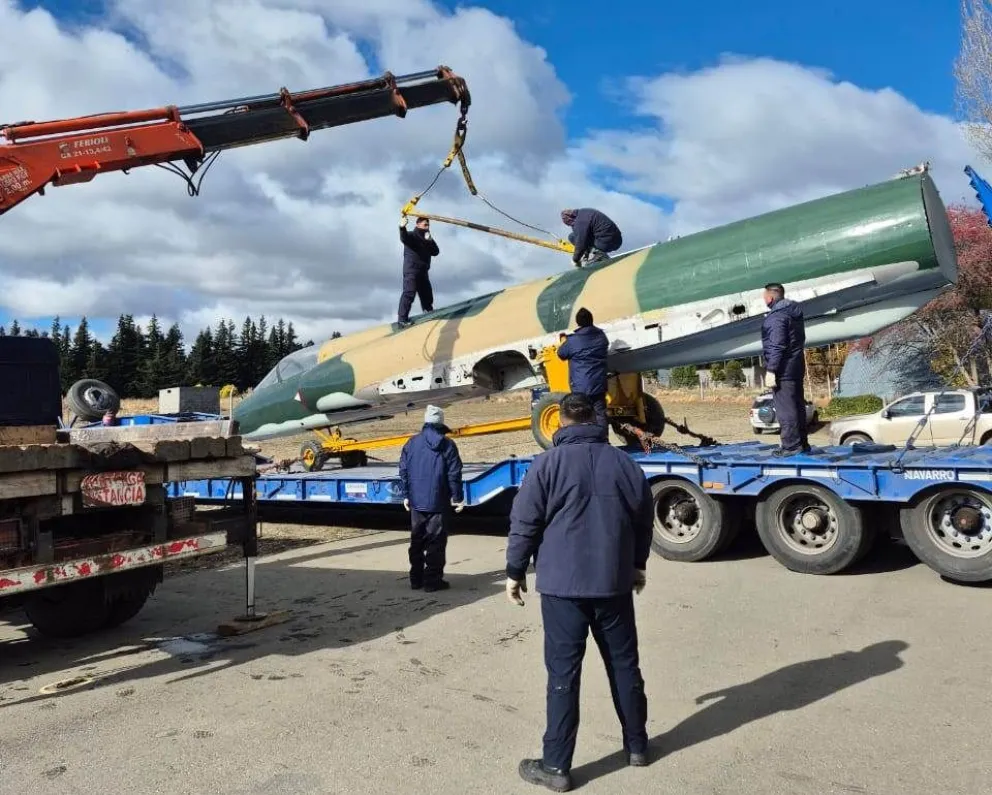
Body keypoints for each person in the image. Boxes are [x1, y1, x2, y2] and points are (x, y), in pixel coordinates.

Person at [505, 393, 653, 792]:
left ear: (561, 422)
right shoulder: (625, 464)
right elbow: (643, 520)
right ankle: (637, 745)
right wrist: (638, 565)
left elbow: (525, 522)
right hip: (613, 583)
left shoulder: (546, 465)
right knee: (624, 665)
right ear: (596, 420)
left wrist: (514, 571)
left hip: (561, 588)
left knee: (563, 674)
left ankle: (556, 766)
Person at [397, 404, 465, 591]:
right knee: (436, 541)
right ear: (440, 423)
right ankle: (432, 581)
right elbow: (454, 473)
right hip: (438, 501)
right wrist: (457, 497)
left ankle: (416, 579)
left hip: (416, 502)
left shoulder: (411, 443)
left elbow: (403, 470)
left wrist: (406, 494)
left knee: (417, 540)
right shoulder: (447, 444)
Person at [761, 282, 810, 456]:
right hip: (796, 366)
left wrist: (771, 370)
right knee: (797, 406)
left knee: (786, 409)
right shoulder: (794, 313)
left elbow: (777, 345)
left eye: (764, 296)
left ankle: (791, 446)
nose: (763, 299)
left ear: (771, 297)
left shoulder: (777, 317)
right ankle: (802, 443)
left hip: (783, 370)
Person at [556, 307, 610, 428]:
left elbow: (561, 354)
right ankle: (603, 441)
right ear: (591, 320)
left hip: (581, 386)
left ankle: (586, 442)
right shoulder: (601, 336)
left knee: (581, 417)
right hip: (599, 384)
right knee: (600, 414)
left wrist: (564, 341)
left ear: (578, 322)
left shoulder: (573, 340)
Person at [397, 215, 440, 327]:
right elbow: (404, 238)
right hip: (411, 270)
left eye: (428, 225)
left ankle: (428, 311)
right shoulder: (412, 236)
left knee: (427, 293)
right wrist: (402, 227)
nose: (427, 227)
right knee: (409, 293)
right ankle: (402, 320)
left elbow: (436, 252)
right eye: (425, 224)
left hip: (423, 271)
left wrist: (430, 241)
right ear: (418, 224)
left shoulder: (427, 238)